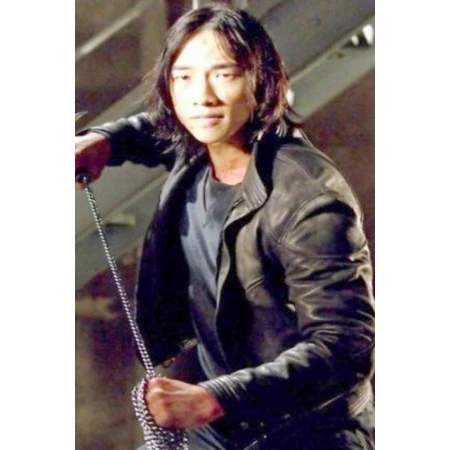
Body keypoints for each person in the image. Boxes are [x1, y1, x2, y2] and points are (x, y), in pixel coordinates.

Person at [75, 4, 375, 449]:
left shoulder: (310, 196)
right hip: (226, 424)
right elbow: (156, 129)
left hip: (307, 430)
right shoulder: (199, 144)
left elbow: (346, 347)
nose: (203, 97)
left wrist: (216, 398)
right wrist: (107, 140)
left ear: (262, 82)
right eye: (184, 77)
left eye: (224, 75)